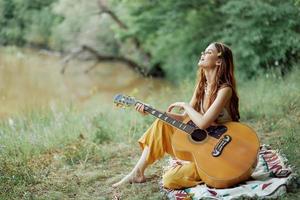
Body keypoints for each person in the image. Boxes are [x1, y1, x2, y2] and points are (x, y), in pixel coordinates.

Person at [112, 42, 240, 189]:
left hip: (221, 153)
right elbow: (186, 120)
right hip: (205, 145)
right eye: (203, 52)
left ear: (218, 61)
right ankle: (137, 173)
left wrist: (185, 105)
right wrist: (153, 111)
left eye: (208, 52)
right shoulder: (201, 87)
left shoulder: (225, 90)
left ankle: (201, 168)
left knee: (170, 180)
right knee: (162, 123)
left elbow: (203, 123)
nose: (203, 54)